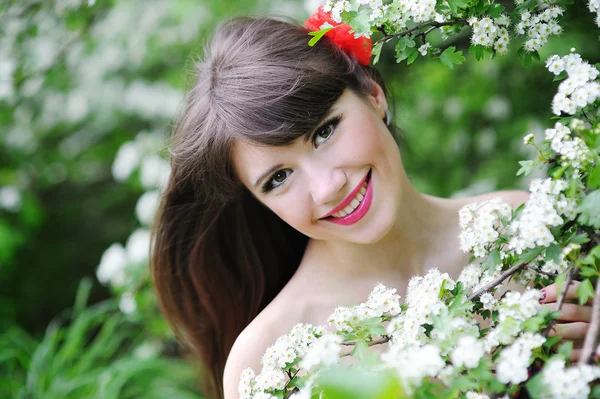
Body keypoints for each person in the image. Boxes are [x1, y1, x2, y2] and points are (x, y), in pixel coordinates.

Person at [150, 10, 592, 399]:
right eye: (279, 178)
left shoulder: (523, 228)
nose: (327, 188)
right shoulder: (268, 360)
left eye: (324, 131)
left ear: (373, 95)